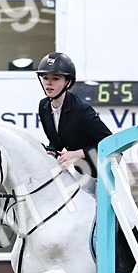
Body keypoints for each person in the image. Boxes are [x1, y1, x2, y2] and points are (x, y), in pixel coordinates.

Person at [35, 51, 112, 190]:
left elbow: (110, 144)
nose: (49, 83)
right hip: (82, 170)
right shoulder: (44, 106)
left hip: (105, 170)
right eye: (45, 78)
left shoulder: (81, 110)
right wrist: (50, 151)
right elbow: (56, 142)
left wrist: (76, 153)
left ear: (68, 82)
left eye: (56, 78)